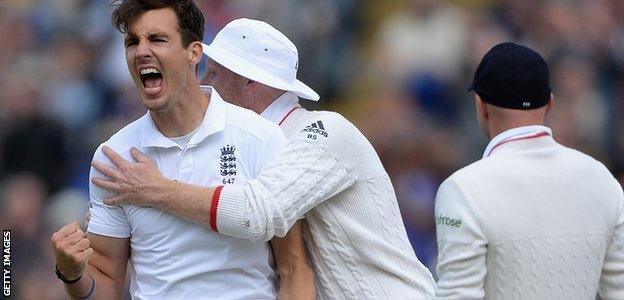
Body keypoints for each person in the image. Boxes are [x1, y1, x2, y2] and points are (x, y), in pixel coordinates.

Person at [91, 18, 436, 299]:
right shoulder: (259, 144)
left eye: (213, 73)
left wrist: (155, 190)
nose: (203, 83)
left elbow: (257, 214)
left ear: (250, 82)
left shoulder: (323, 131)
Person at [50, 1, 314, 299]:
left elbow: (294, 268)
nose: (142, 51)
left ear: (194, 52)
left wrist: (158, 191)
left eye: (157, 39)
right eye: (132, 42)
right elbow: (106, 283)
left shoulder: (260, 138)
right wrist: (72, 276)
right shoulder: (114, 157)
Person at [434, 42, 624, 299]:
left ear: (481, 105)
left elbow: (458, 295)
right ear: (550, 103)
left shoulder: (462, 189)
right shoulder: (602, 180)